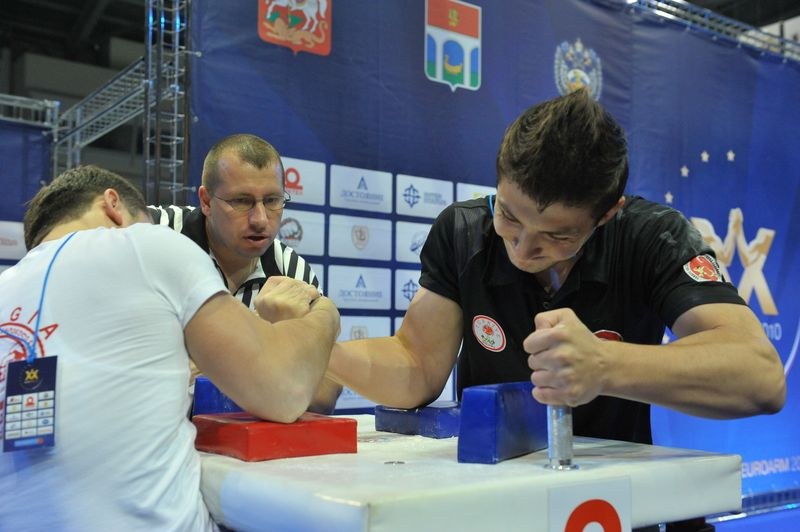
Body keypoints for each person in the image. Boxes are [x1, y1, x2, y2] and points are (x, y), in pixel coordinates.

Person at [326, 89, 786, 531]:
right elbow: (418, 364)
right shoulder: (462, 231)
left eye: (558, 235)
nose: (523, 249)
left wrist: (604, 365)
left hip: (607, 508)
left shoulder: (652, 238)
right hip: (485, 504)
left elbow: (761, 376)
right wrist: (324, 355)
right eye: (509, 216)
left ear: (607, 214)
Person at [0, 165, 340, 530]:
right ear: (113, 205)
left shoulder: (7, 286)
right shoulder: (145, 244)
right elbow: (284, 392)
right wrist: (325, 314)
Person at [148, 133, 341, 413]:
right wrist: (263, 349)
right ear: (206, 201)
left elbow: (326, 393)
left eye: (272, 200)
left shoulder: (293, 272)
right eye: (241, 201)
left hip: (236, 439)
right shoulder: (152, 234)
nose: (260, 219)